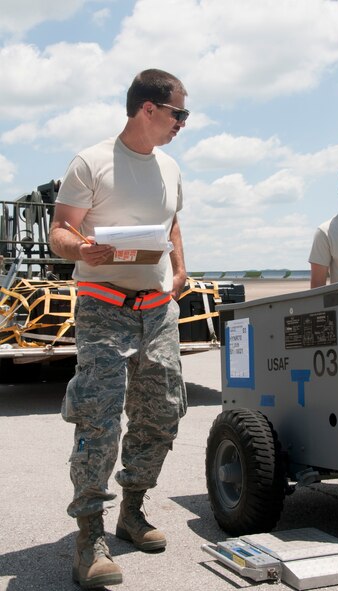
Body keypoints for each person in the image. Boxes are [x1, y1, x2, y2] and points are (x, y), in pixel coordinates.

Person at [49, 68, 188, 589]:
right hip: (104, 306)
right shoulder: (92, 161)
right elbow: (60, 229)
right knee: (99, 418)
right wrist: (81, 247)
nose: (183, 124)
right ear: (148, 109)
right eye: (180, 113)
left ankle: (133, 510)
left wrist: (179, 270)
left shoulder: (171, 166)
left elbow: (172, 222)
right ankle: (89, 534)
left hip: (158, 309)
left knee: (162, 412)